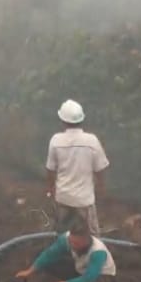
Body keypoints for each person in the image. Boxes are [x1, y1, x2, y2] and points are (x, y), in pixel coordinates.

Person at [46, 99, 109, 236]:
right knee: (92, 239)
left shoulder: (55, 140)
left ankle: (64, 254)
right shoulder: (92, 140)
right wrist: (101, 192)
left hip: (63, 199)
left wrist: (51, 192)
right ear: (82, 120)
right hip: (84, 201)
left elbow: (50, 171)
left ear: (63, 121)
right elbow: (100, 171)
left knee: (62, 237)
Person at [17, 220, 117, 282]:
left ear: (87, 239)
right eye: (71, 241)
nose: (72, 245)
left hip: (100, 276)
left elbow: (87, 279)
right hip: (81, 267)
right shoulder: (67, 238)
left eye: (77, 243)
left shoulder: (98, 252)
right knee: (48, 263)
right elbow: (50, 254)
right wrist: (30, 270)